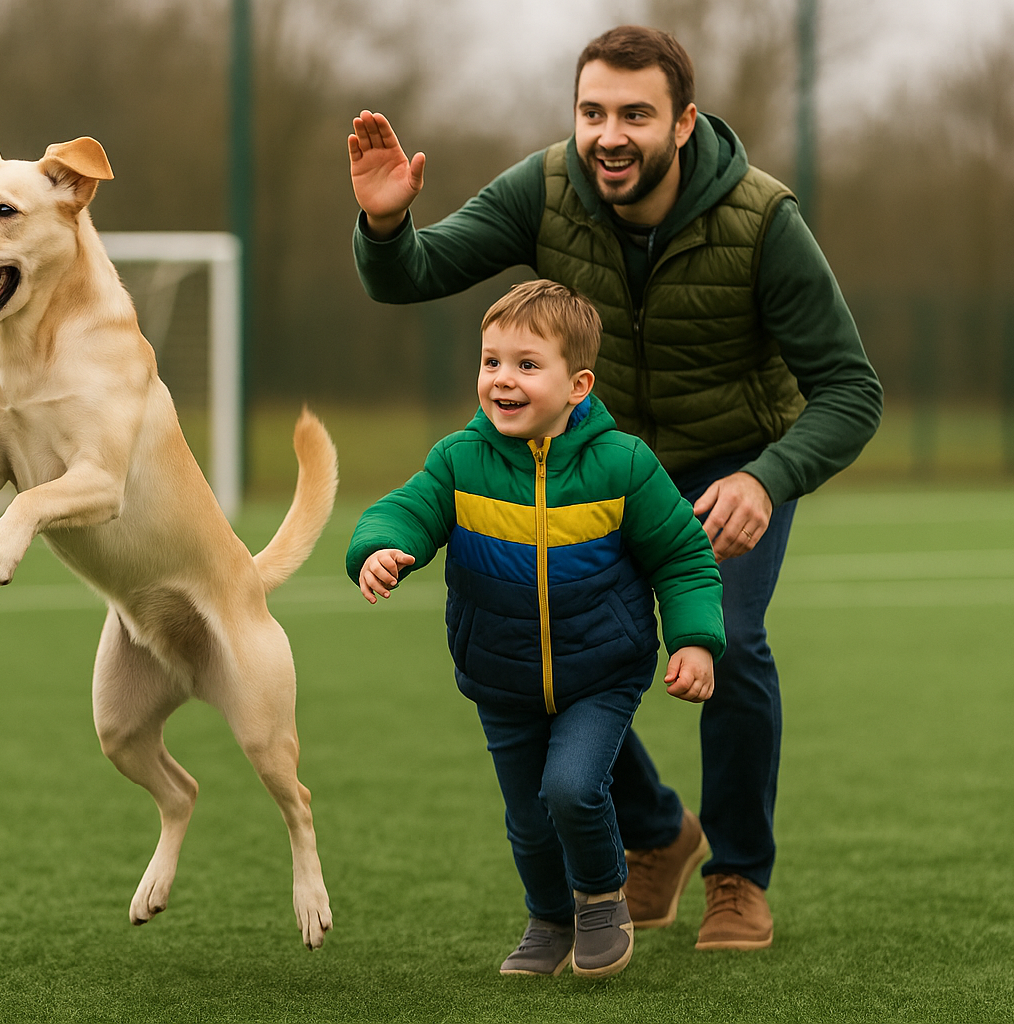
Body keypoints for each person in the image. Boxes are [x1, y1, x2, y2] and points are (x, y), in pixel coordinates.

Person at [347, 25, 882, 950]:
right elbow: (415, 275)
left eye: (635, 114)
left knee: (731, 640)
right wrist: (388, 227)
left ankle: (738, 875)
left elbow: (850, 389)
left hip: (730, 465)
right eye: (592, 112)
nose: (609, 135)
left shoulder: (763, 220)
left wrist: (767, 479)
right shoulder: (545, 188)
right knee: (557, 652)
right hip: (602, 463)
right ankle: (659, 831)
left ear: (683, 123)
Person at [348, 279, 724, 977]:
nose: (502, 379)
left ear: (578, 385)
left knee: (572, 788)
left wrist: (695, 640)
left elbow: (682, 557)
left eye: (526, 364)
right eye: (491, 361)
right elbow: (404, 510)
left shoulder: (623, 464)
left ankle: (601, 899)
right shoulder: (459, 461)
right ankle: (549, 918)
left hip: (602, 672)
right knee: (527, 818)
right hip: (501, 672)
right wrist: (379, 547)